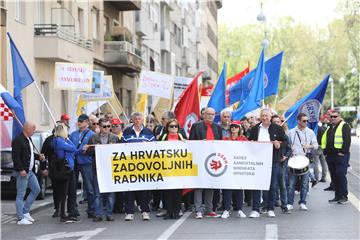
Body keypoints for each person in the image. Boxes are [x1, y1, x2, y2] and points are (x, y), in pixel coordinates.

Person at [248, 109, 287, 218]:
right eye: (263, 116)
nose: (265, 118)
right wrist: (251, 143)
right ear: (260, 117)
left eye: (266, 115)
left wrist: (279, 145)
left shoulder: (278, 128)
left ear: (270, 117)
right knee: (257, 185)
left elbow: (285, 142)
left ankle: (270, 208)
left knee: (272, 185)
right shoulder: (255, 129)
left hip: (273, 161)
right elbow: (249, 142)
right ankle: (255, 209)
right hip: (258, 161)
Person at [121, 112, 155, 221]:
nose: (137, 120)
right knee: (129, 189)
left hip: (144, 166)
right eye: (135, 119)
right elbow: (120, 147)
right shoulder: (126, 132)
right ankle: (129, 212)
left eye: (139, 118)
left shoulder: (149, 132)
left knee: (144, 190)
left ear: (142, 120)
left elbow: (155, 147)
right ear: (132, 120)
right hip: (130, 166)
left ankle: (145, 211)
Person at [189, 107, 222, 219]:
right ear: (203, 115)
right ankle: (198, 210)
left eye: (212, 114)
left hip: (212, 160)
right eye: (208, 114)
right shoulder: (196, 126)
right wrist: (199, 143)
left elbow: (221, 143)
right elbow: (191, 143)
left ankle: (209, 209)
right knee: (199, 185)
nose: (210, 116)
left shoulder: (218, 127)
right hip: (199, 159)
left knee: (210, 184)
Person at [84, 118, 120, 222]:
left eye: (109, 126)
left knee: (111, 193)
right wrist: (88, 149)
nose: (107, 128)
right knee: (97, 194)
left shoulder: (114, 138)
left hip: (111, 169)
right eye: (104, 126)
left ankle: (109, 214)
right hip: (98, 169)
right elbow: (88, 153)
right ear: (99, 127)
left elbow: (120, 152)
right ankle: (98, 214)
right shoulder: (94, 138)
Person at [12, 121, 45, 225]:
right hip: (22, 171)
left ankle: (25, 211)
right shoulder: (18, 140)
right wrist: (20, 169)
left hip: (30, 171)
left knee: (36, 189)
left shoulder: (28, 139)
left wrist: (38, 157)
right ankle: (20, 218)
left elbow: (29, 154)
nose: (34, 131)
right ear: (27, 129)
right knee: (21, 194)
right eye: (33, 129)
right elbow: (15, 156)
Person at [287, 113, 318, 211]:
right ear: (299, 121)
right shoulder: (291, 132)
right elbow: (286, 144)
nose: (306, 122)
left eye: (307, 121)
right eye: (304, 121)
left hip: (305, 159)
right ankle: (289, 203)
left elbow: (316, 145)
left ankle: (303, 202)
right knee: (291, 184)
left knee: (304, 183)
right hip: (294, 160)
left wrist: (309, 146)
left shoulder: (310, 132)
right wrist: (289, 147)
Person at [159, 119, 186, 219]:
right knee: (167, 192)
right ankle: (169, 212)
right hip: (166, 168)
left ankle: (176, 212)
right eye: (171, 126)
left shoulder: (181, 137)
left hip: (179, 169)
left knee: (177, 192)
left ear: (178, 128)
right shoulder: (164, 137)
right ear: (167, 128)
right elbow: (156, 148)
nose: (173, 128)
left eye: (176, 126)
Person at [322, 110, 351, 204]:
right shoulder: (329, 127)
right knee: (334, 176)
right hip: (330, 156)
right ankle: (337, 196)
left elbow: (347, 140)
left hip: (340, 156)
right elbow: (325, 140)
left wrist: (343, 152)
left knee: (340, 174)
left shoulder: (344, 126)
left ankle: (344, 196)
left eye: (335, 116)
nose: (333, 118)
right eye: (331, 116)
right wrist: (325, 152)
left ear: (339, 117)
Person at [69, 114, 95, 218]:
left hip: (86, 162)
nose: (79, 123)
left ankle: (91, 209)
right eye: (78, 121)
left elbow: (93, 149)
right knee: (72, 187)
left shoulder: (92, 134)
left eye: (82, 121)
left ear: (87, 122)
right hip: (74, 162)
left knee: (89, 187)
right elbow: (70, 147)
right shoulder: (73, 134)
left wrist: (87, 150)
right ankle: (72, 209)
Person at [53, 124, 79, 223]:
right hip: (65, 170)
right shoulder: (59, 141)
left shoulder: (59, 141)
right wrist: (68, 140)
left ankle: (69, 213)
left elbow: (74, 151)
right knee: (65, 193)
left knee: (70, 192)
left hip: (68, 169)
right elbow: (73, 148)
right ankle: (63, 214)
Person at [221, 121, 247, 219]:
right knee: (227, 189)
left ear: (239, 128)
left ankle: (239, 209)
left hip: (239, 166)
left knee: (239, 189)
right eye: (232, 127)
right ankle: (226, 209)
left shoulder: (243, 139)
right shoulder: (225, 139)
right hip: (227, 167)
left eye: (236, 127)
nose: (233, 128)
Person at [271, 115, 291, 214]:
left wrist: (285, 156)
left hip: (281, 164)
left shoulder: (284, 135)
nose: (276, 123)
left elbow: (289, 148)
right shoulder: (268, 134)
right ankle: (270, 205)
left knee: (282, 185)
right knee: (272, 186)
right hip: (270, 163)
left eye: (278, 122)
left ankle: (284, 206)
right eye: (274, 122)